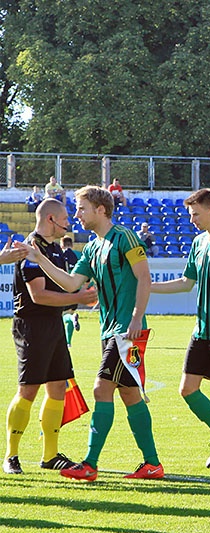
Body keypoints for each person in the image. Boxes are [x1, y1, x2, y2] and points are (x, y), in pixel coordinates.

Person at [18, 186, 162, 481]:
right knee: (130, 393)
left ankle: (90, 463)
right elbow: (72, 284)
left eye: (81, 209)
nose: (77, 215)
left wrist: (136, 318)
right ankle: (152, 464)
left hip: (126, 329)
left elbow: (144, 278)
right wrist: (39, 258)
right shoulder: (94, 247)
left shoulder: (125, 238)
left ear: (101, 209)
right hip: (109, 330)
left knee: (101, 389)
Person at [150, 188, 210, 474]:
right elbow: (185, 281)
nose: (192, 219)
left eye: (195, 214)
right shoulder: (198, 243)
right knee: (187, 389)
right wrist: (148, 287)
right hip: (201, 331)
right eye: (189, 214)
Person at [4, 200, 97, 475]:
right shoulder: (30, 248)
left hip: (53, 324)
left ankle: (50, 455)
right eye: (65, 218)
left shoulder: (54, 249)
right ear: (52, 219)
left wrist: (78, 293)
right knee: (28, 389)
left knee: (57, 388)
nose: (69, 223)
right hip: (31, 326)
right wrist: (76, 298)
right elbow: (38, 295)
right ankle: (11, 455)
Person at [60, 236, 81, 346]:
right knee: (71, 311)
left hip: (64, 288)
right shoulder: (77, 255)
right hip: (76, 288)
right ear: (71, 245)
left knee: (64, 315)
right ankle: (68, 342)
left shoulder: (60, 255)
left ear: (62, 245)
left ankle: (72, 318)